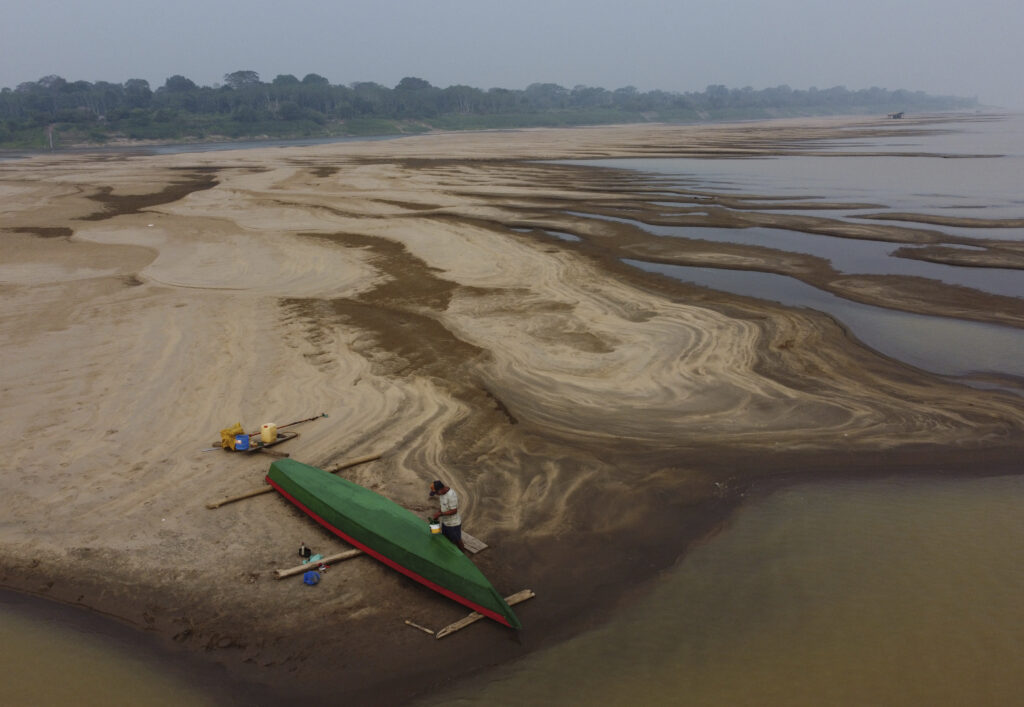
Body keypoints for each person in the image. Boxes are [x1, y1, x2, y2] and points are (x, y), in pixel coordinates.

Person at [429, 480, 466, 552]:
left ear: (440, 490)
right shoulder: (441, 494)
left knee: (457, 540)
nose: (436, 494)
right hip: (445, 522)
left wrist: (440, 514)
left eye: (436, 492)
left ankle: (463, 554)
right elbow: (442, 505)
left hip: (453, 524)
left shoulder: (451, 495)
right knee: (445, 538)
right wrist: (439, 512)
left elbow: (454, 511)